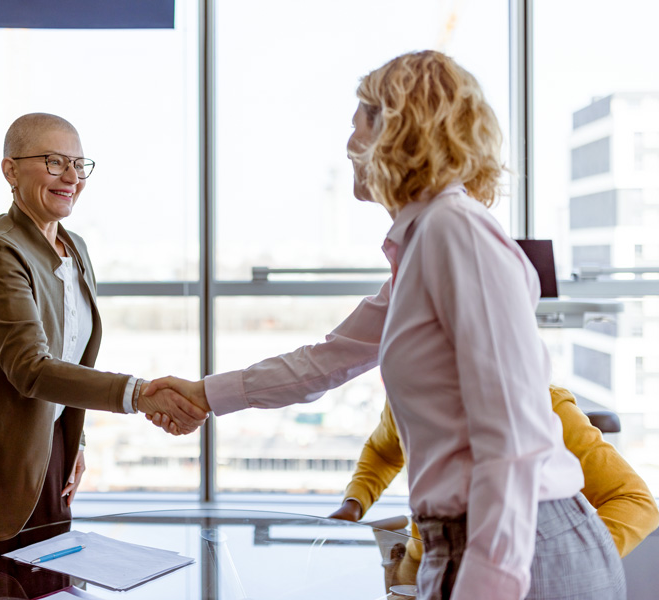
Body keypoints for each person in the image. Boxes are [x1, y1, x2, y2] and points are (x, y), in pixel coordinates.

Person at [146, 51, 626, 599]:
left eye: (358, 125)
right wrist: (205, 394)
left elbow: (512, 440)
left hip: (518, 547)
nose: (349, 145)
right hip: (480, 540)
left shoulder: (454, 234)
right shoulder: (423, 245)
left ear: (397, 129)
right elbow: (325, 361)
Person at [0, 112, 208, 575]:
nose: (71, 177)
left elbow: (70, 354)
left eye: (79, 164)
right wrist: (141, 393)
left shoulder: (75, 247)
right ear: (10, 171)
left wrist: (75, 438)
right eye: (54, 162)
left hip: (48, 468)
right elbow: (31, 368)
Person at [330, 385, 659, 587]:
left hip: (514, 582)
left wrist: (570, 560)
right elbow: (383, 451)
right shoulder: (407, 398)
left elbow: (636, 502)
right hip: (421, 570)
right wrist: (354, 502)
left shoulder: (547, 407)